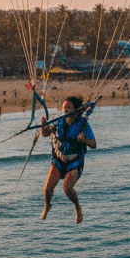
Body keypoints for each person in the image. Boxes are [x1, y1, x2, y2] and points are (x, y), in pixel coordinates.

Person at [41, 95, 96, 224]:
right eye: (64, 108)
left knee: (67, 188)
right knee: (47, 189)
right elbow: (46, 133)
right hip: (59, 159)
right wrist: (43, 127)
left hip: (74, 161)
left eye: (69, 108)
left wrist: (84, 140)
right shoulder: (57, 122)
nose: (66, 111)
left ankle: (77, 206)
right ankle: (47, 205)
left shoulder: (83, 124)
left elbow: (93, 144)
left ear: (75, 109)